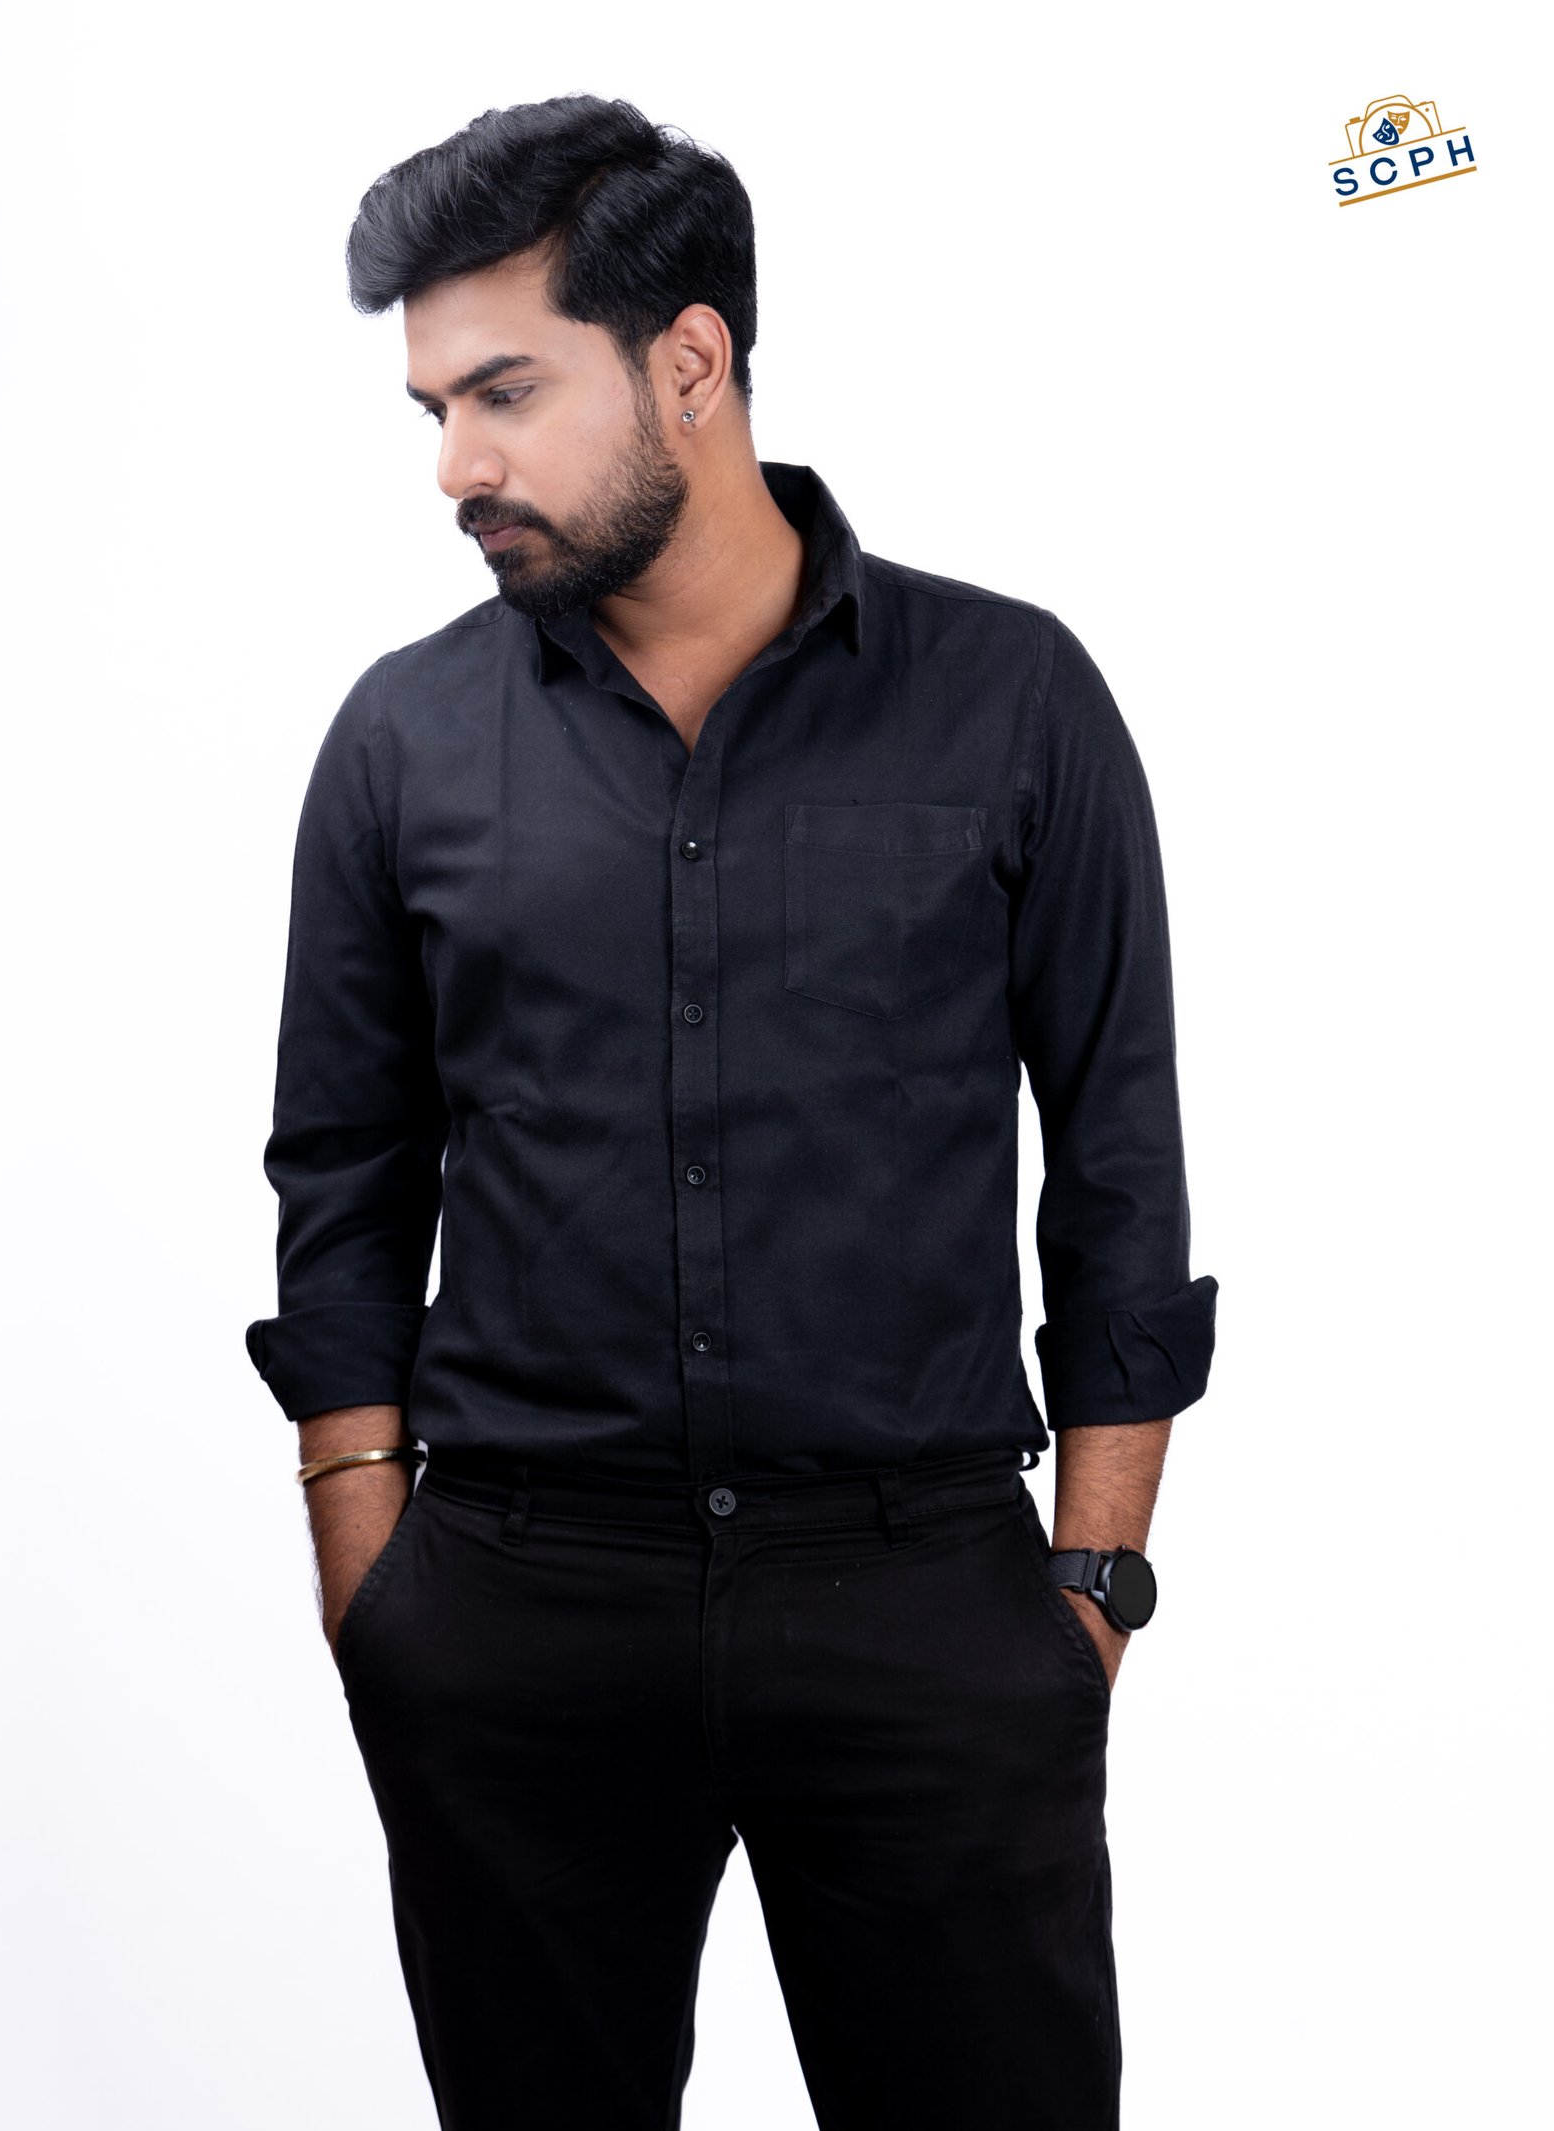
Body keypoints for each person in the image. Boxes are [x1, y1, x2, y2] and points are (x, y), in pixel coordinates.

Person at [244, 92, 1218, 2131]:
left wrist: (1090, 1591)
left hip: (925, 1600)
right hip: (516, 1606)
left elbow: (1116, 1163)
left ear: (688, 364)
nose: (455, 465)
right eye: (432, 408)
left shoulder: (1010, 700)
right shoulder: (404, 740)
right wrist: (372, 1576)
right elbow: (343, 1174)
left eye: (505, 392)